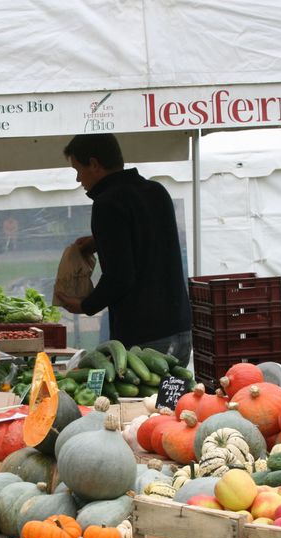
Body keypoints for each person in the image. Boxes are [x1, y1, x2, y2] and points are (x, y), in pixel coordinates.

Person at [56, 133, 192, 365]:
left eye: (78, 170)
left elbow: (120, 275)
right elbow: (147, 240)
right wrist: (99, 241)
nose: (79, 179)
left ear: (94, 164)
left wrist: (86, 306)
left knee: (141, 401)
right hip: (180, 329)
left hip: (145, 336)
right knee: (173, 400)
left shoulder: (107, 202)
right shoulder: (156, 191)